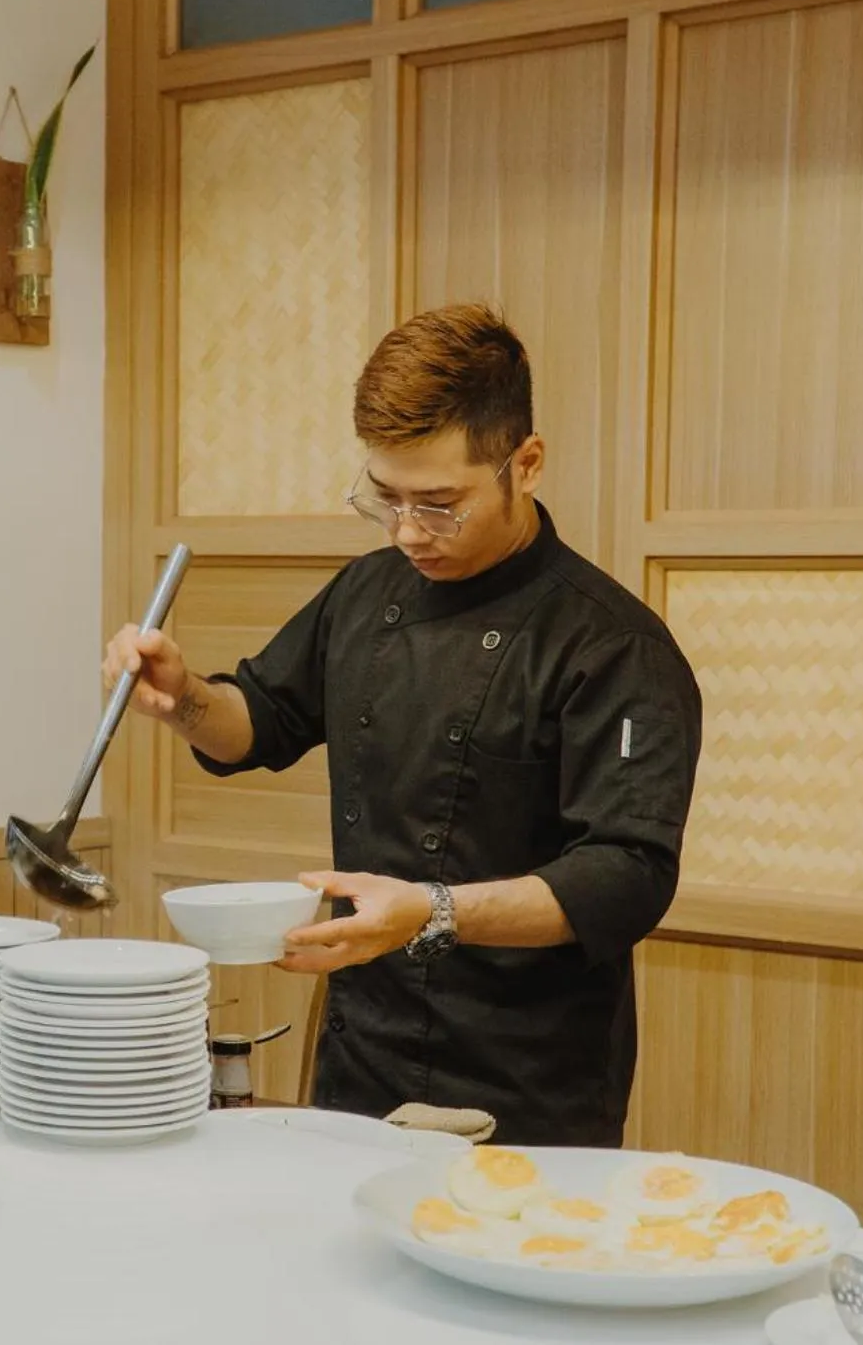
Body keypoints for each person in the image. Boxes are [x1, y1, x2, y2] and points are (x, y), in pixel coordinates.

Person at [104, 303, 704, 1146]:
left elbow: (627, 874)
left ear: (525, 465)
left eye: (441, 503)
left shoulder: (610, 644)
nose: (408, 530)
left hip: (527, 1072)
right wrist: (184, 699)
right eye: (385, 498)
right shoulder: (367, 593)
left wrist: (431, 910)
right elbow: (261, 723)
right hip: (361, 1049)